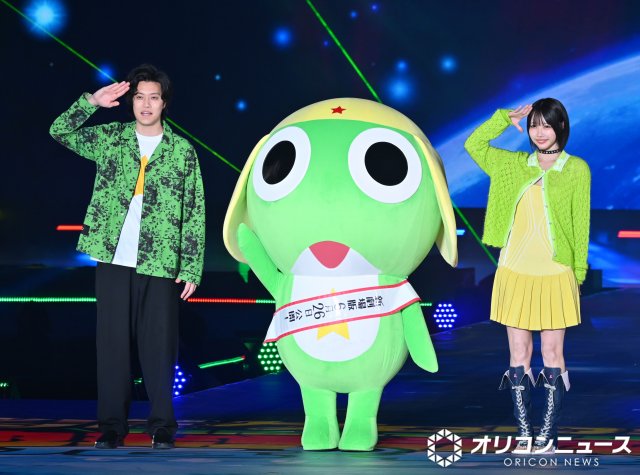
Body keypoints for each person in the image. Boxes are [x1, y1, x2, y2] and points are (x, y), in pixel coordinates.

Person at [50, 64, 205, 449]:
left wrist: (191, 266)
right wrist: (91, 102)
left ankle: (162, 425)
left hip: (160, 260)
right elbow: (59, 131)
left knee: (160, 345)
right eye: (139, 97)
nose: (146, 104)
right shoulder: (111, 138)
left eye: (154, 97)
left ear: (164, 103)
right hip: (113, 256)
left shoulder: (182, 150)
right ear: (131, 101)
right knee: (112, 344)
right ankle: (111, 426)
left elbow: (195, 210)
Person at [464, 98, 590, 453]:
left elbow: (580, 223)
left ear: (561, 126)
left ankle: (547, 433)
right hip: (514, 271)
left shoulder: (576, 169)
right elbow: (473, 144)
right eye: (534, 125)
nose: (539, 132)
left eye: (546, 125)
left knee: (552, 354)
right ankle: (523, 432)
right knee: (518, 354)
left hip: (556, 272)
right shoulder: (511, 164)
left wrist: (578, 273)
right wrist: (504, 118)